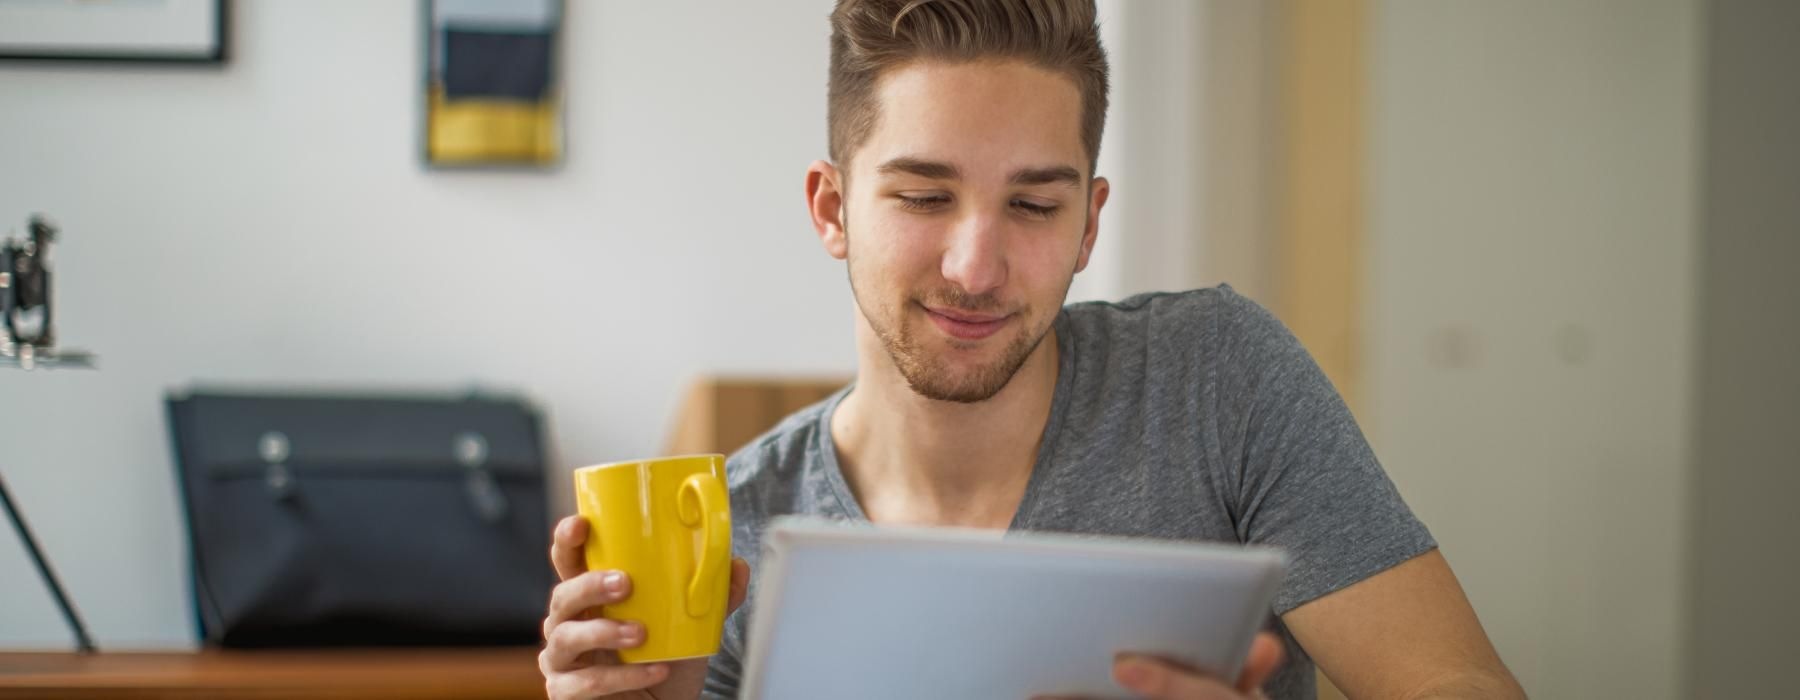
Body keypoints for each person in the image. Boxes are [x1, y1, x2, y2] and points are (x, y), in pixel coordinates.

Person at [539, 1, 1523, 698]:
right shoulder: (730, 540)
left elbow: (1460, 682)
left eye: (1035, 204)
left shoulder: (1221, 381)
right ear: (832, 207)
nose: (976, 266)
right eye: (925, 197)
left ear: (1090, 224)